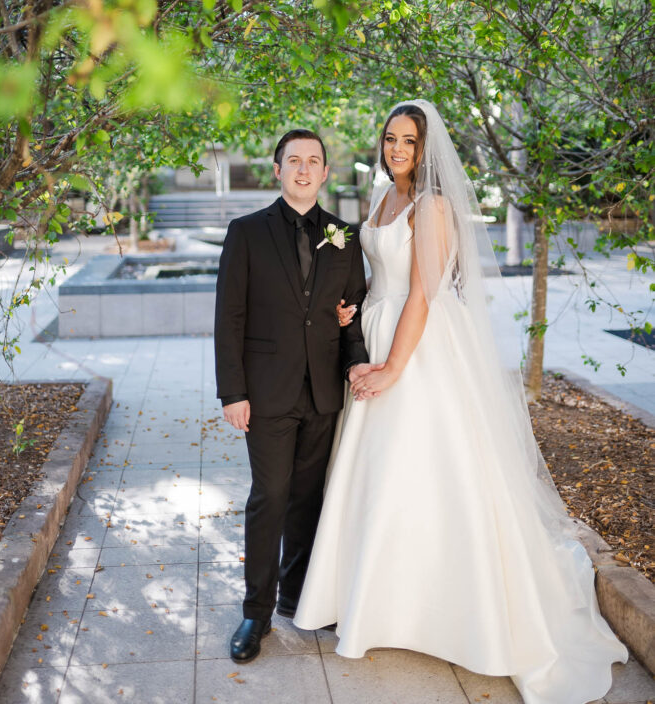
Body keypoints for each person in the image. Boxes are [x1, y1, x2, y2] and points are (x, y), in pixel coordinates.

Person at [294, 101, 628, 704]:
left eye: (409, 142)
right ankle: (374, 602)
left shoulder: (434, 206)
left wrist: (395, 366)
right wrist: (354, 308)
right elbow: (383, 275)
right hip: (376, 330)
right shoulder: (383, 198)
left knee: (421, 471)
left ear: (426, 150)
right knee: (375, 476)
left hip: (417, 348)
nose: (397, 149)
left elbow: (423, 292)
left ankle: (443, 612)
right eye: (391, 139)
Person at [214, 128, 369, 664]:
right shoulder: (247, 232)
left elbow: (352, 315)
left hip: (324, 391)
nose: (304, 169)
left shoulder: (345, 236)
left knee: (309, 501)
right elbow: (228, 319)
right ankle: (255, 612)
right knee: (270, 498)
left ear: (326, 173)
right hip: (268, 392)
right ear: (277, 169)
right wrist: (233, 391)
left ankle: (297, 597)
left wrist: (357, 366)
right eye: (294, 161)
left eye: (314, 161)